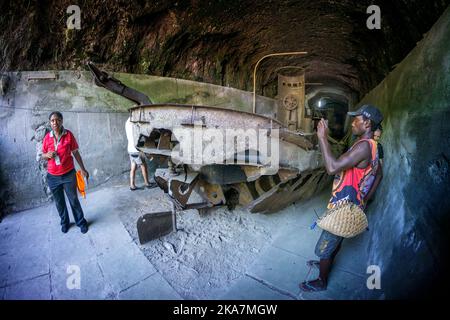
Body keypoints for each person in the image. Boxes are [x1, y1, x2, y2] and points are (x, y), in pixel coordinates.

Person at [299, 104, 384, 292]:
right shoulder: (374, 146)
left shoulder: (363, 147)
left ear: (367, 123)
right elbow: (379, 175)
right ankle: (325, 262)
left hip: (344, 206)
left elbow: (332, 168)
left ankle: (321, 280)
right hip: (353, 203)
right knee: (337, 239)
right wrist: (365, 199)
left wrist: (322, 138)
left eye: (356, 119)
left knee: (325, 245)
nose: (352, 123)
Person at [41, 111, 89, 234]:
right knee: (59, 203)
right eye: (52, 120)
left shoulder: (68, 135)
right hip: (53, 177)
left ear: (61, 121)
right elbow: (42, 155)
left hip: (68, 174)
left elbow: (75, 152)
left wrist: (83, 169)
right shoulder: (47, 138)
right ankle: (65, 223)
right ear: (50, 123)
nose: (55, 122)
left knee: (73, 200)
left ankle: (81, 222)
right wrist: (47, 155)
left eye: (57, 120)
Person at [125, 117, 156, 190]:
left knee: (133, 167)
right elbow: (142, 132)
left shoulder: (127, 122)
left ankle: (132, 186)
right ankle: (147, 183)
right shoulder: (134, 122)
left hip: (130, 149)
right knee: (143, 166)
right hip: (135, 150)